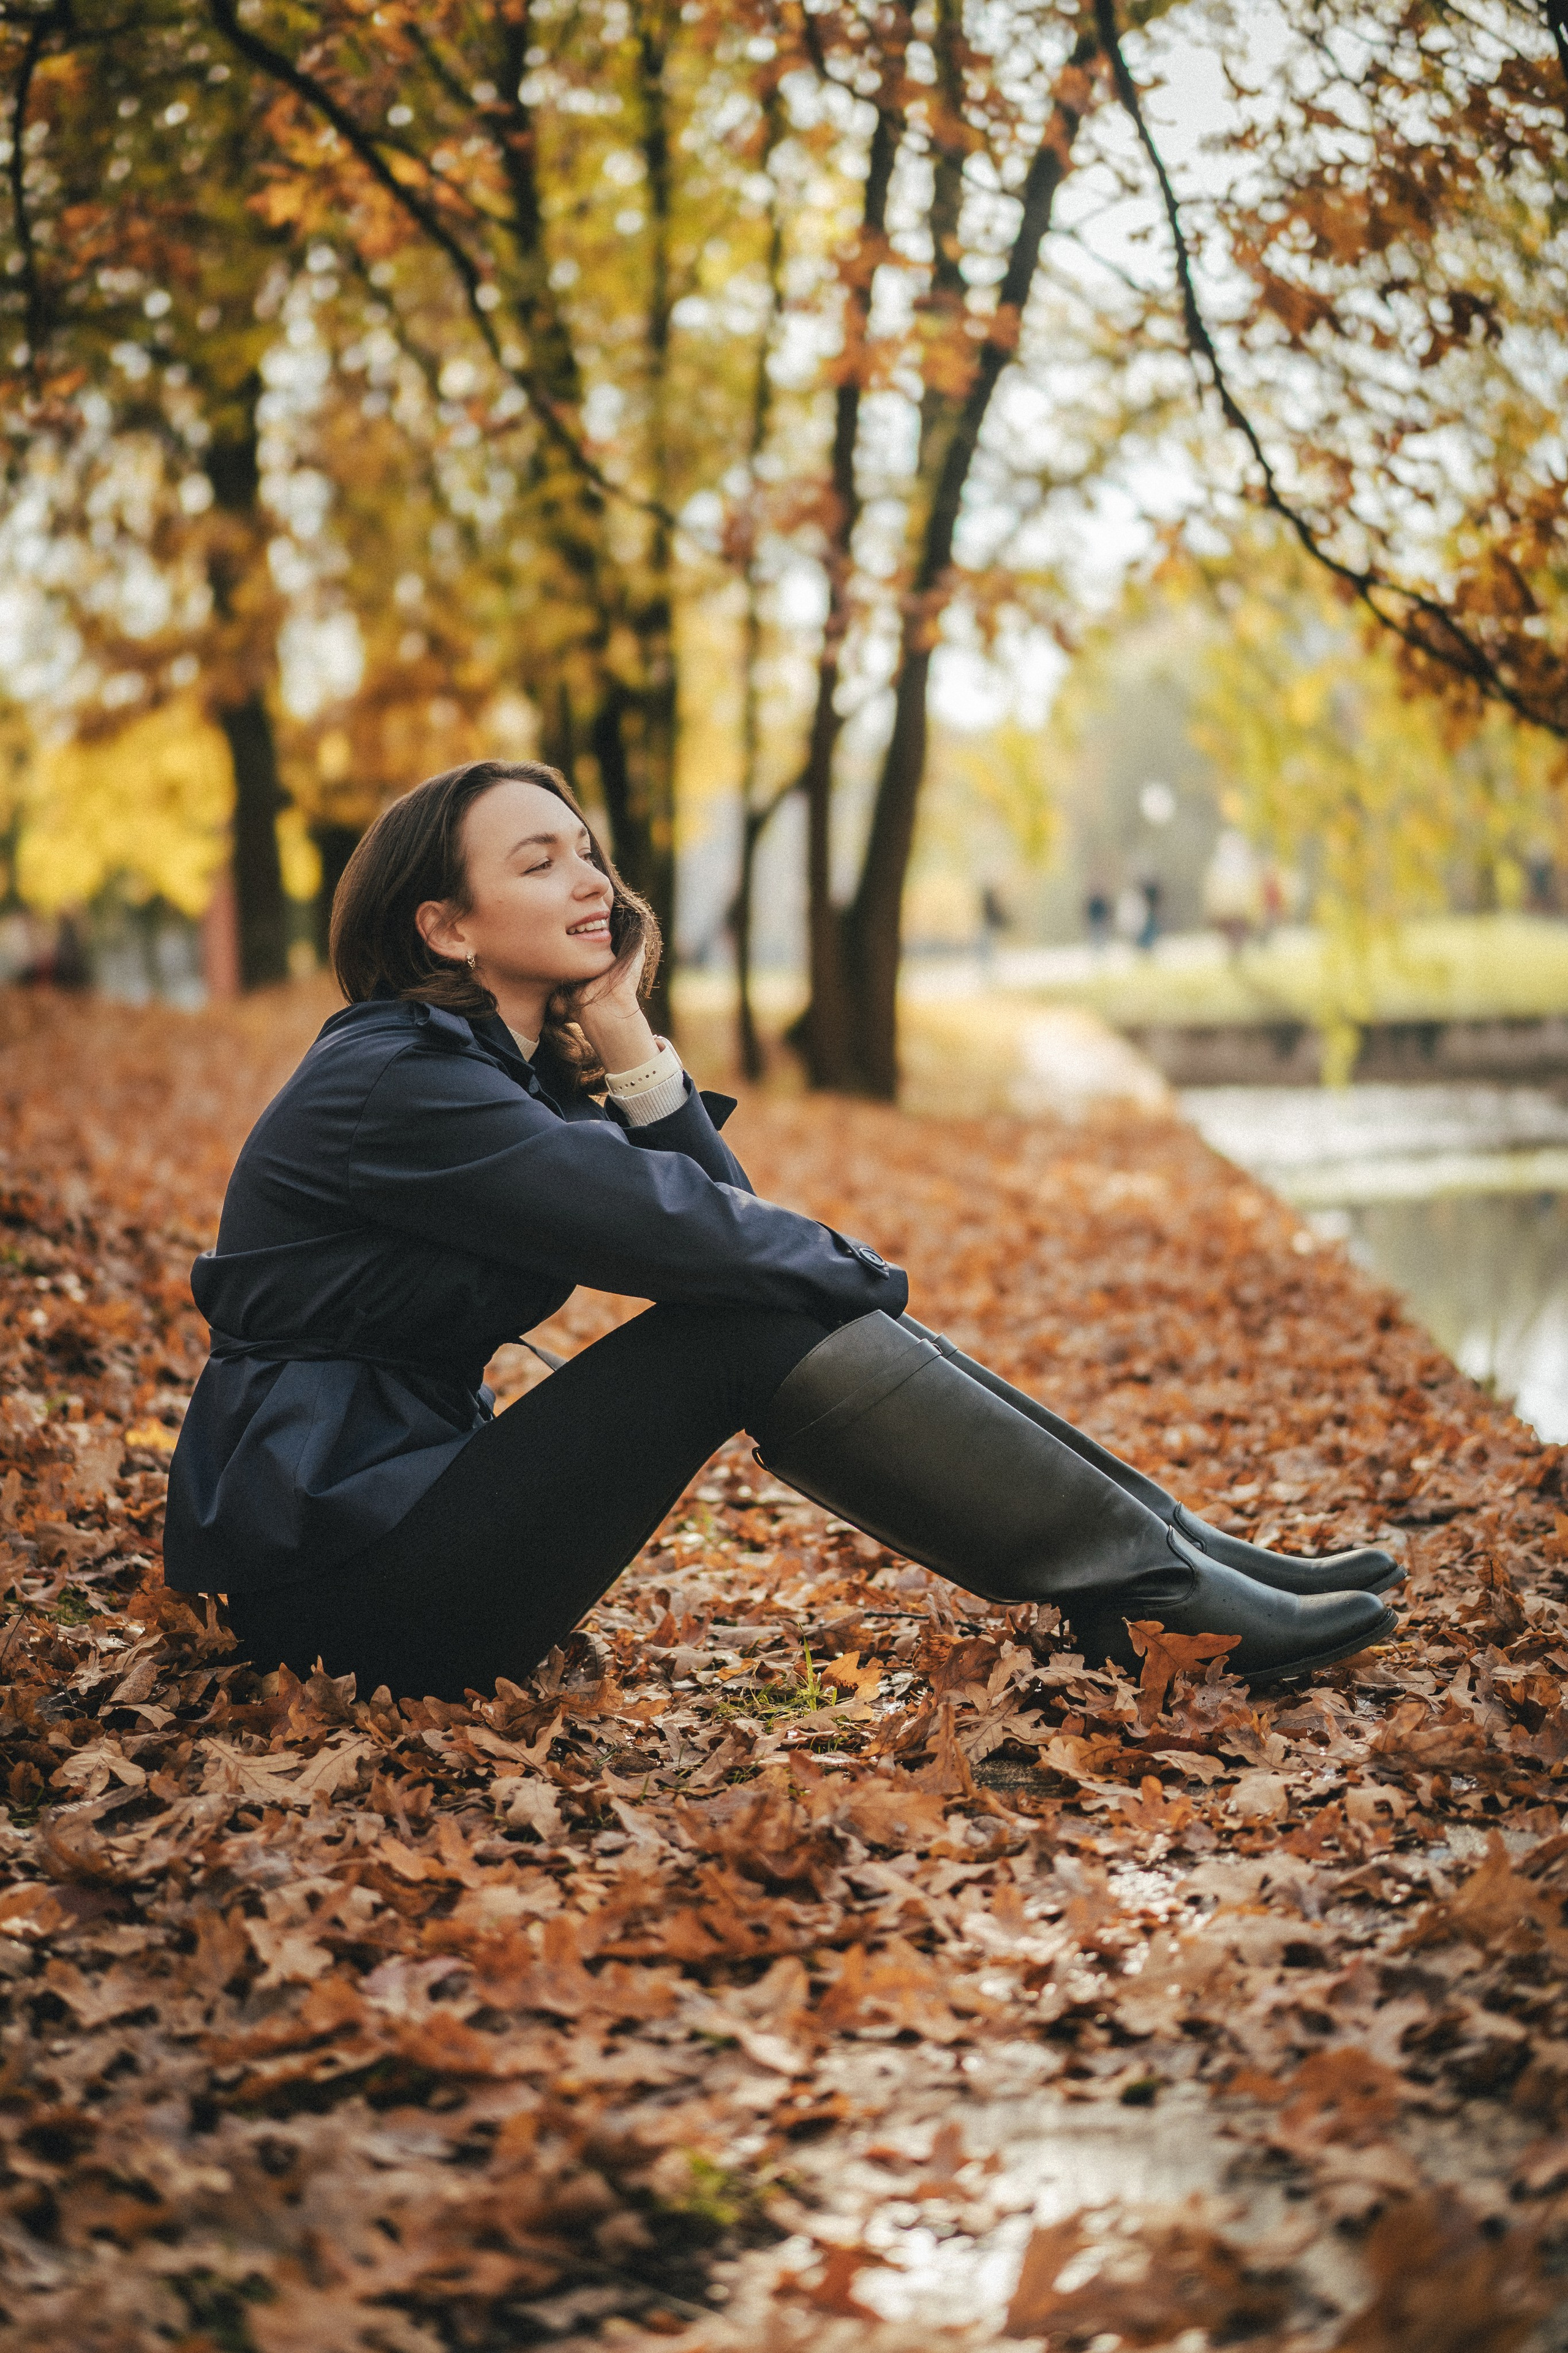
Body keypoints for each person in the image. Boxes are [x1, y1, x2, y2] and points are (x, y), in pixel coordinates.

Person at [165, 759, 1400, 1703]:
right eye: (540, 864)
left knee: (762, 1300)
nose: (593, 883)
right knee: (753, 1313)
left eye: (589, 855)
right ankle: (1157, 1587)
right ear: (445, 925)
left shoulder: (499, 1074)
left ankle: (1173, 1555)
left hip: (403, 1528)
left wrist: (629, 1038)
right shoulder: (396, 1082)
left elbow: (723, 1218)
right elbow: (692, 1233)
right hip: (342, 1589)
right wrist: (857, 1277)